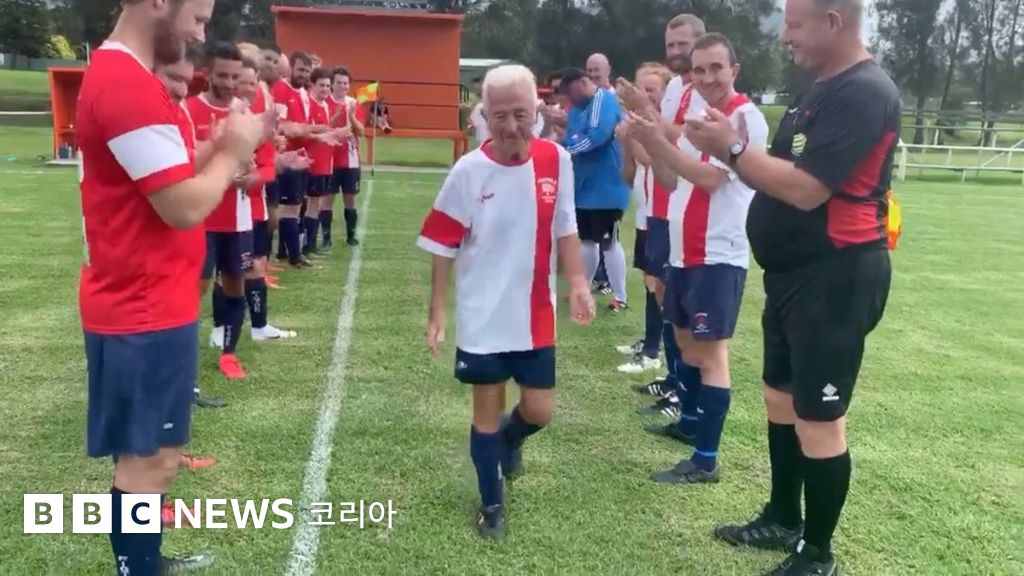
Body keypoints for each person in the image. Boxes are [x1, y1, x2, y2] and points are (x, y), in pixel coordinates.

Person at [684, 0, 898, 573]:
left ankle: (817, 553)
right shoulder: (817, 89)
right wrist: (733, 149)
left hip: (836, 275)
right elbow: (775, 173)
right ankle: (782, 517)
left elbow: (806, 189)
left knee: (819, 417)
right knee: (780, 396)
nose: (785, 38)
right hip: (792, 276)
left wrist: (732, 148)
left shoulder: (865, 92)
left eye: (795, 25)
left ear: (833, 22)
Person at [78, 0, 264, 572]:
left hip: (153, 302)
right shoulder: (125, 83)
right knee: (147, 464)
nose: (202, 33)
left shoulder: (128, 76)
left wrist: (216, 149)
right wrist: (231, 152)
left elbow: (166, 171)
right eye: (200, 18)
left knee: (154, 460)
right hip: (142, 307)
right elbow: (182, 206)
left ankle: (146, 561)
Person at [417, 64, 594, 539]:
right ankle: (492, 504)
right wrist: (438, 310)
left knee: (539, 411)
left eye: (521, 114)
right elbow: (442, 244)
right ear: (485, 114)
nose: (511, 126)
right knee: (486, 410)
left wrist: (578, 282)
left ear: (538, 110)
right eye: (500, 116)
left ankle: (509, 442)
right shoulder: (469, 171)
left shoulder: (557, 160)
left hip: (535, 313)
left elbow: (566, 227)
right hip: (483, 316)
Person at [630, 33, 770, 486]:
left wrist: (658, 140)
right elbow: (672, 178)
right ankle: (690, 423)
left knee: (711, 355)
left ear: (735, 71)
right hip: (684, 250)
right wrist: (651, 140)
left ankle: (706, 459)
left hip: (718, 253)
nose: (707, 78)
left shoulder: (744, 119)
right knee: (687, 344)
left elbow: (709, 179)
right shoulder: (696, 120)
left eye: (716, 68)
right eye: (699, 69)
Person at [619, 13, 708, 426]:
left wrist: (643, 116)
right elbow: (660, 153)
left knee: (681, 309)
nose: (675, 52)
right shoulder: (677, 90)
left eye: (682, 44)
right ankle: (674, 382)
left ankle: (683, 394)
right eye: (670, 45)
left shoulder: (705, 93)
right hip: (665, 209)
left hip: (687, 214)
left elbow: (680, 141)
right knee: (664, 297)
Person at [186, 42, 255, 380]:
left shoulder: (244, 115)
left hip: (237, 218)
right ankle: (184, 362)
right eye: (223, 75)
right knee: (192, 293)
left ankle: (229, 355)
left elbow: (258, 165)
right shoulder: (188, 110)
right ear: (208, 74)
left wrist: (250, 173)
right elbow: (182, 167)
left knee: (235, 287)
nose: (229, 83)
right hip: (200, 218)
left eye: (235, 77)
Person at [615, 63, 673, 376]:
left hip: (663, 213)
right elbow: (629, 173)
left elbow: (650, 158)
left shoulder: (663, 126)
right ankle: (651, 340)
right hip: (646, 213)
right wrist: (626, 142)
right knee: (650, 282)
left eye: (651, 90)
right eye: (641, 89)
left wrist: (631, 137)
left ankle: (653, 351)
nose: (644, 95)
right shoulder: (640, 123)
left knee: (659, 284)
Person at [236, 56, 299, 343]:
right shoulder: (229, 114)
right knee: (232, 271)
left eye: (253, 82)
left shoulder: (259, 108)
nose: (250, 88)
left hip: (255, 201)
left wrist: (279, 161)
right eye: (244, 82)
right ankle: (222, 329)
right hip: (233, 206)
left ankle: (258, 326)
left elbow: (264, 160)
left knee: (255, 266)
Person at [559, 67, 630, 311]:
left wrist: (565, 150)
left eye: (571, 92)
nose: (570, 99)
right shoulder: (576, 109)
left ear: (583, 83)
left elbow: (598, 135)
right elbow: (572, 137)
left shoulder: (603, 100)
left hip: (607, 187)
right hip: (584, 188)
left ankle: (620, 296)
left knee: (609, 242)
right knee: (587, 240)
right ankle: (583, 289)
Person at [271, 51, 322, 268]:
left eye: (307, 71)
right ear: (290, 67)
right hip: (285, 158)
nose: (304, 75)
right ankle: (290, 256)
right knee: (282, 209)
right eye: (300, 69)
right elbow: (282, 126)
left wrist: (320, 134)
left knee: (295, 206)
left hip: (300, 158)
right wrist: (314, 130)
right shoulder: (281, 89)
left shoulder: (303, 93)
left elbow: (303, 126)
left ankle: (289, 253)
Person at [328, 66, 365, 246]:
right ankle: (326, 237)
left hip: (350, 160)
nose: (342, 86)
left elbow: (361, 131)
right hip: (330, 158)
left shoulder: (354, 104)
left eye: (345, 83)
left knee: (350, 199)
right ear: (332, 84)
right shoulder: (326, 101)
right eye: (339, 83)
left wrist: (351, 116)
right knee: (327, 199)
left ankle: (351, 235)